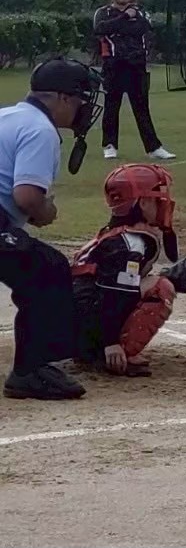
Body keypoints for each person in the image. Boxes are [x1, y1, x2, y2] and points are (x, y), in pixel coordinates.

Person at [0, 57, 102, 399]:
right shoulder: (41, 130)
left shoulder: (7, 116)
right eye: (80, 100)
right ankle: (31, 370)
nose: (83, 108)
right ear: (62, 98)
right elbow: (27, 196)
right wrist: (45, 211)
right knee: (48, 269)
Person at [71, 163, 186, 377]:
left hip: (74, 325)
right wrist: (111, 343)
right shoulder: (130, 244)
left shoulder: (114, 234)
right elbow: (115, 294)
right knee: (161, 288)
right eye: (156, 198)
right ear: (142, 202)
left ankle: (94, 347)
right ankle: (119, 353)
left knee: (145, 282)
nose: (163, 202)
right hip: (87, 329)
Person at [93, 0, 175, 162]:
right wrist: (124, 18)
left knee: (141, 108)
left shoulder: (141, 12)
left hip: (136, 65)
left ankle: (153, 148)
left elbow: (142, 29)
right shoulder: (103, 12)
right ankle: (110, 145)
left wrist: (118, 27)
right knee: (111, 106)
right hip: (113, 65)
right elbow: (100, 29)